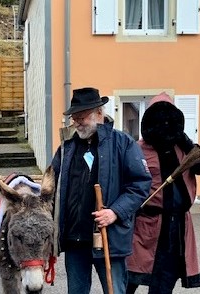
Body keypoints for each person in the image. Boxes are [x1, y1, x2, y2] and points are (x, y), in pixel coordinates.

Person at [51, 87, 152, 294]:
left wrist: (115, 212)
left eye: (82, 116)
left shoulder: (123, 143)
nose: (77, 122)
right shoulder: (67, 147)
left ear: (99, 113)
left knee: (114, 290)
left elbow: (141, 185)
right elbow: (52, 184)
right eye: (74, 117)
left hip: (109, 237)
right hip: (74, 238)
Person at [126, 92, 200, 294]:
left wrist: (187, 143)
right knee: (130, 278)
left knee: (164, 281)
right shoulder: (138, 149)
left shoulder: (185, 149)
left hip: (177, 228)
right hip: (146, 226)